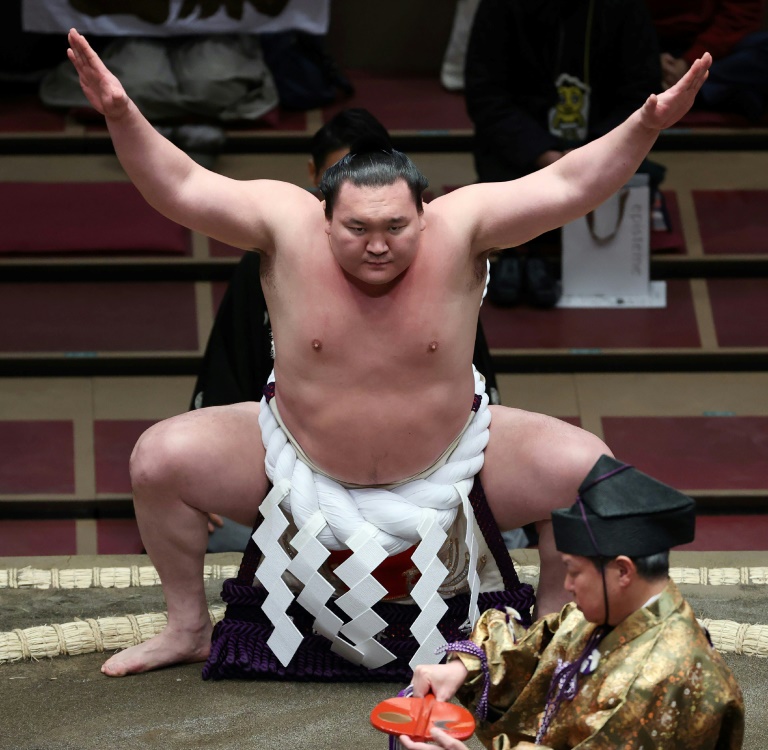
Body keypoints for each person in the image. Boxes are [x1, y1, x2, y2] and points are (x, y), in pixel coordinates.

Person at [66, 27, 711, 679]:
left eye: (396, 228)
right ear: (325, 215)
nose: (377, 245)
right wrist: (123, 114)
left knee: (586, 473)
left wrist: (644, 125)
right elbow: (179, 183)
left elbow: (571, 183)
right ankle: (187, 627)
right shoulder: (285, 226)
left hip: (457, 462)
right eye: (357, 229)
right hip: (296, 462)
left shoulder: (462, 227)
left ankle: (543, 636)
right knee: (158, 459)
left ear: (423, 215)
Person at [196, 107, 502, 554]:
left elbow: (467, 377)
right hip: (292, 470)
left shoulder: (444, 261)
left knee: (504, 525)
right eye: (353, 218)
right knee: (212, 518)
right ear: (319, 189)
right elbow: (228, 370)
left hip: (432, 477)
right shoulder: (273, 259)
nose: (375, 243)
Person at [403, 456, 745, 750]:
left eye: (574, 572)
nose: (567, 586)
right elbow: (540, 644)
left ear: (623, 571)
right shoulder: (610, 613)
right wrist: (461, 668)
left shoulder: (666, 679)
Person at [464, 0, 663, 307]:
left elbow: (639, 95)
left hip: (601, 144)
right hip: (525, 149)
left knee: (636, 158)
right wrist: (544, 154)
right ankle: (519, 252)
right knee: (500, 158)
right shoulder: (500, 6)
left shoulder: (626, 8)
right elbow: (486, 94)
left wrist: (592, 151)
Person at [646, 0, 768, 121]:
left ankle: (682, 90)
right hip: (650, 49)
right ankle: (703, 92)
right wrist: (651, 58)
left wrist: (689, 63)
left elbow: (740, 18)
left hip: (719, 52)